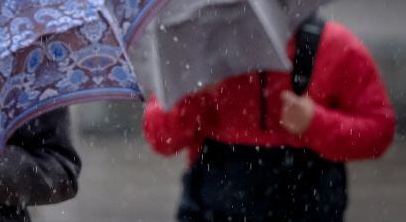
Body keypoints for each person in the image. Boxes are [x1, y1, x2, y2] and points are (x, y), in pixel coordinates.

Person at [144, 18, 395, 222]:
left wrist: (315, 123)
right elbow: (160, 137)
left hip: (307, 206)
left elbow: (379, 131)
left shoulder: (333, 46)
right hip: (213, 206)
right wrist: (192, 95)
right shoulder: (197, 50)